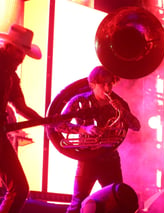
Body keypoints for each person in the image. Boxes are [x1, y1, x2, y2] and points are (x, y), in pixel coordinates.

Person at [55, 66, 141, 213]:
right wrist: (83, 129)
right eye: (103, 84)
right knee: (78, 203)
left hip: (110, 158)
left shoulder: (119, 103)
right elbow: (58, 125)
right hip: (87, 158)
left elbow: (137, 126)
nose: (108, 88)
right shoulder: (80, 101)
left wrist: (123, 112)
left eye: (110, 83)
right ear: (93, 84)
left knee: (117, 201)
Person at [0, 24, 42, 212]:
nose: (21, 58)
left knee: (20, 188)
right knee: (18, 187)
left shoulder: (12, 77)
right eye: (19, 52)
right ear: (8, 47)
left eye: (23, 53)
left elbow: (22, 107)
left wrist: (47, 120)